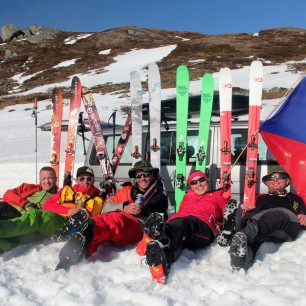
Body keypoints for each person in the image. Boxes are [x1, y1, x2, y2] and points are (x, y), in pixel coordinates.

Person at [52, 161, 168, 270]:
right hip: (115, 220)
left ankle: (85, 228)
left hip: (135, 225)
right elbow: (106, 206)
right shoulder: (126, 190)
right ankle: (78, 251)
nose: (142, 178)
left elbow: (160, 220)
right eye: (139, 176)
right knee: (100, 228)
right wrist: (124, 206)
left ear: (152, 175)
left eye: (146, 175)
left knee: (113, 222)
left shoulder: (158, 196)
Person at [138, 170, 228, 284]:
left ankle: (158, 234)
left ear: (206, 180)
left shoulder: (219, 198)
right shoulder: (187, 196)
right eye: (194, 182)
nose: (198, 184)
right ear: (191, 186)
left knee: (186, 222)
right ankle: (162, 263)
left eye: (201, 180)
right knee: (177, 238)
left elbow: (228, 218)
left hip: (202, 228)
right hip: (180, 227)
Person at [227, 170, 306, 271]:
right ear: (267, 183)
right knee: (252, 229)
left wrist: (304, 217)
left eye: (280, 177)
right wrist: (247, 214)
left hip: (286, 221)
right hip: (262, 224)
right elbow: (254, 213)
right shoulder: (261, 198)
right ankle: (240, 260)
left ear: (287, 181)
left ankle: (240, 231)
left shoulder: (294, 197)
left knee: (271, 217)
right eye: (271, 178)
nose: (275, 180)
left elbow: (303, 214)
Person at [0, 166, 65, 252]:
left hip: (25, 218)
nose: (47, 182)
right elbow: (7, 194)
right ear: (40, 180)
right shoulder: (30, 188)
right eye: (44, 179)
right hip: (9, 206)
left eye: (50, 178)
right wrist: (25, 204)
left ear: (56, 179)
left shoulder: (60, 196)